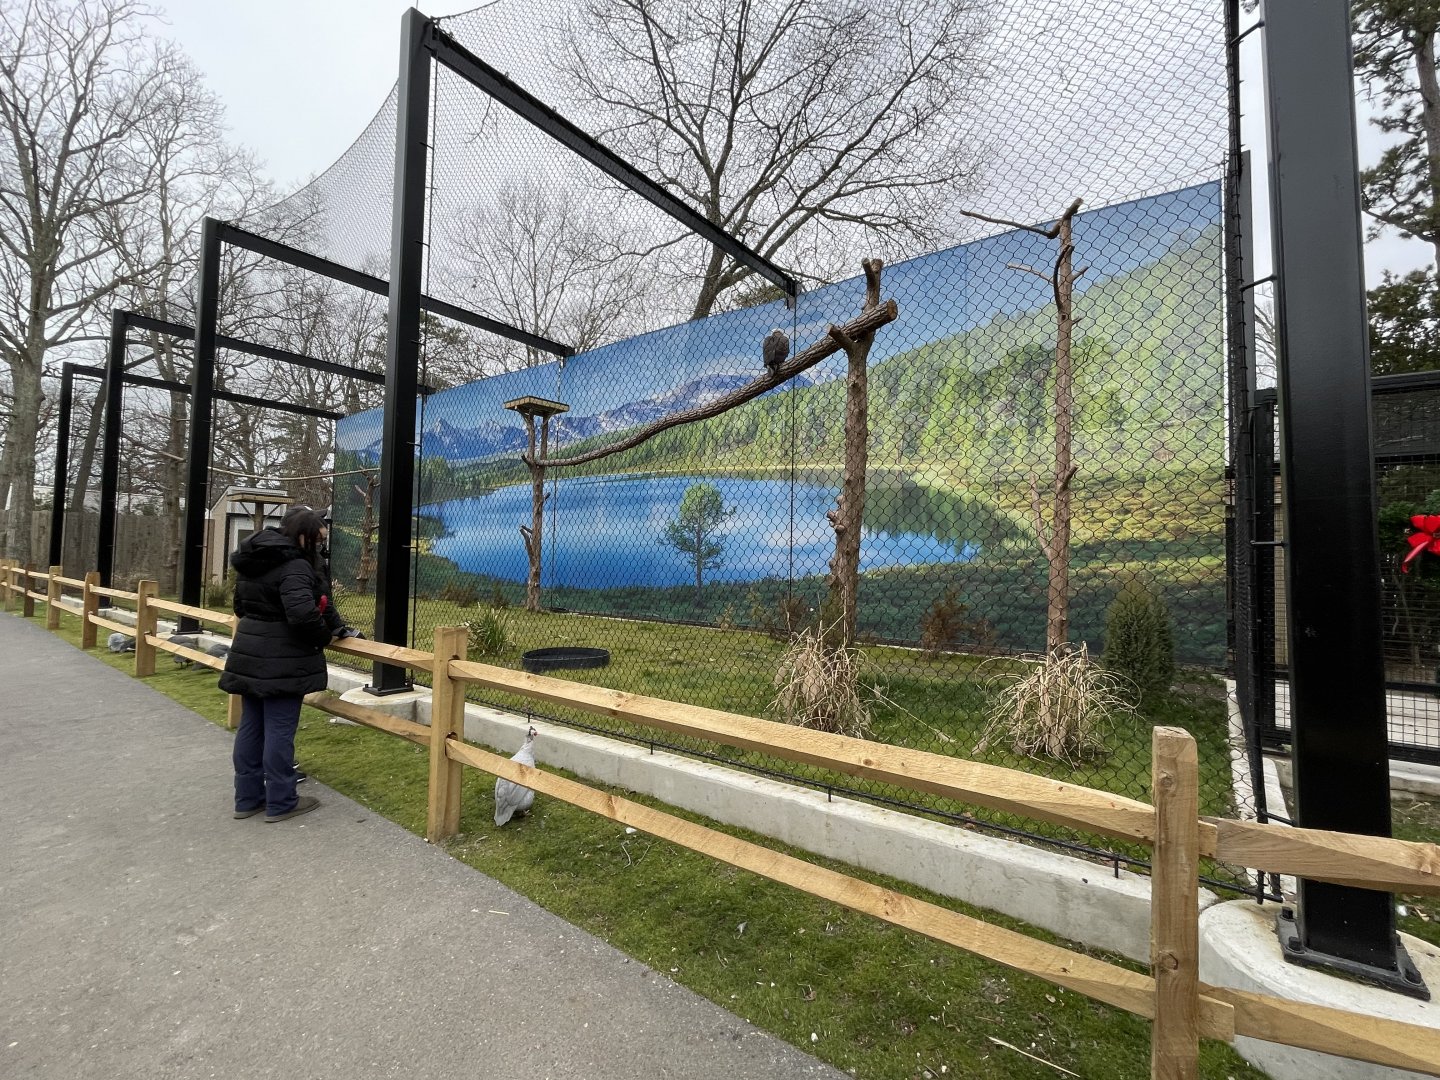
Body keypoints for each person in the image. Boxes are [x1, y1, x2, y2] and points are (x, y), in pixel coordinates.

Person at [219, 506, 359, 822]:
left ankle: (248, 797)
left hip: (250, 651)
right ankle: (281, 800)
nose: (322, 545)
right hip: (282, 658)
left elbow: (240, 606)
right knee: (280, 729)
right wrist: (323, 637)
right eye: (318, 539)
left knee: (251, 727)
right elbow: (301, 614)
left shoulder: (255, 559)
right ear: (302, 536)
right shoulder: (294, 566)